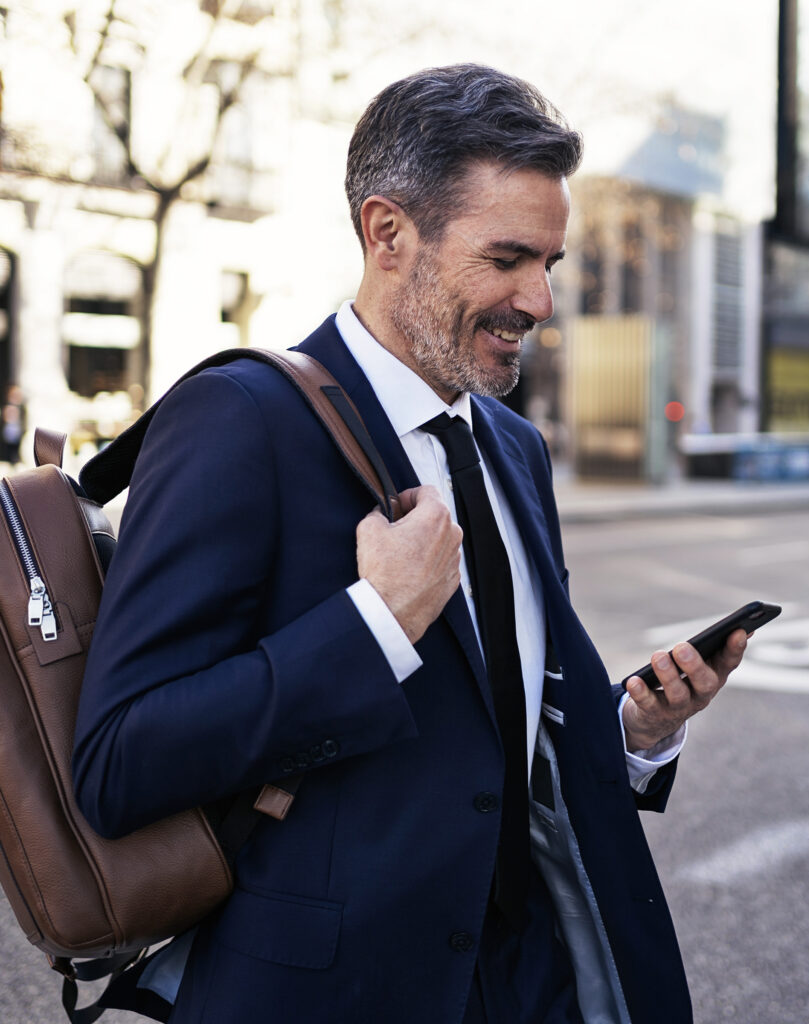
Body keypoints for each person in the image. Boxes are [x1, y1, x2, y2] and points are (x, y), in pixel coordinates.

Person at [72, 64, 748, 1024]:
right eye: (506, 258)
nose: (539, 302)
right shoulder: (236, 421)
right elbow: (119, 763)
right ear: (388, 233)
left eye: (548, 265)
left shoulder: (511, 445)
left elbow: (484, 735)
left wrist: (631, 736)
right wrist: (373, 624)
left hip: (523, 982)